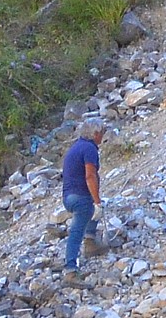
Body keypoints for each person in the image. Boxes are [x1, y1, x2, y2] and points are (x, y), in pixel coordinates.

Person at [61, 118, 110, 289]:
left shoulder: (77, 146)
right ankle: (70, 271)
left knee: (91, 208)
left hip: (68, 195)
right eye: (101, 133)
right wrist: (97, 201)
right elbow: (90, 176)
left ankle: (91, 242)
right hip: (80, 197)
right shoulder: (89, 149)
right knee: (77, 230)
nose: (102, 137)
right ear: (95, 134)